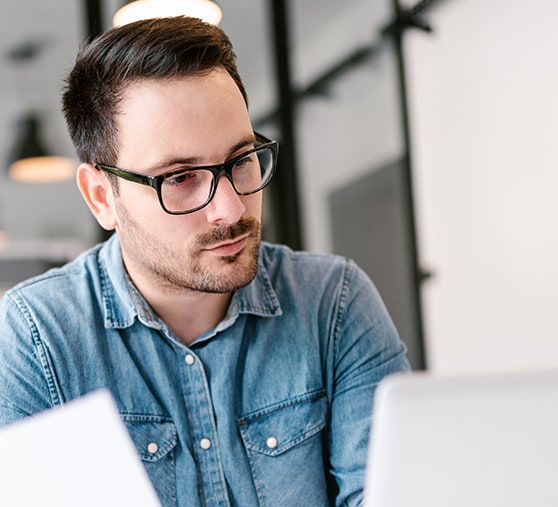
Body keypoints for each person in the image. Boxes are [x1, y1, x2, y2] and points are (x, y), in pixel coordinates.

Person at [0, 16, 410, 507]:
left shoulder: (334, 303)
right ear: (101, 197)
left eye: (240, 160)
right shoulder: (36, 338)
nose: (232, 208)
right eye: (179, 178)